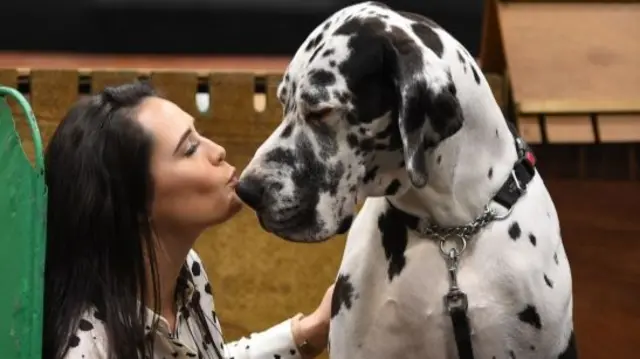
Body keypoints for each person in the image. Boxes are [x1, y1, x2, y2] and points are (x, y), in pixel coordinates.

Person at [42, 81, 334, 359]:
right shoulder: (87, 349)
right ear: (133, 203)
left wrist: (310, 331)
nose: (217, 151)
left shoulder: (187, 270)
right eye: (190, 149)